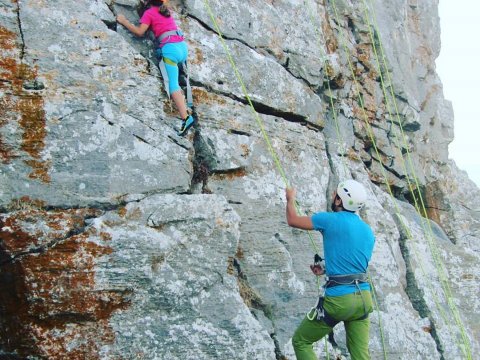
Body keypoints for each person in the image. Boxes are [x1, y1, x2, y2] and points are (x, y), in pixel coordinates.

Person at [285, 180, 375, 360]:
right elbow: (353, 263)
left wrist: (290, 199)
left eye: (336, 194)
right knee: (360, 356)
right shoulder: (368, 231)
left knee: (301, 341)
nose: (333, 196)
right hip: (363, 299)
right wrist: (326, 268)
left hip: (339, 300)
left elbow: (293, 220)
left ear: (341, 201)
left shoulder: (329, 219)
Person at [116, 0, 195, 136]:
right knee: (179, 76)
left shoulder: (149, 13)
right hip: (182, 48)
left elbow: (140, 32)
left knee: (173, 85)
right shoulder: (166, 10)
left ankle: (186, 118)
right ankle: (188, 102)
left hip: (170, 50)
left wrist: (124, 21)